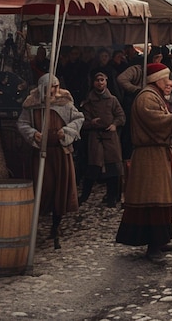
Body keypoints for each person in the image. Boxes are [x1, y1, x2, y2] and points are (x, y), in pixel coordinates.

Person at [115, 63, 172, 262]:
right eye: (166, 78)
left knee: (161, 198)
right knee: (153, 199)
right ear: (157, 79)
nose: (170, 82)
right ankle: (153, 245)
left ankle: (161, 239)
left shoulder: (154, 95)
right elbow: (154, 120)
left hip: (157, 154)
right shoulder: (146, 96)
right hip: (149, 157)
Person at [18, 73, 84, 248]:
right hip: (42, 154)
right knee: (44, 187)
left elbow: (79, 118)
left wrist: (67, 131)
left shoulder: (65, 102)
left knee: (60, 189)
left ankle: (56, 226)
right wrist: (33, 134)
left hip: (61, 153)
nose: (54, 91)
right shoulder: (32, 104)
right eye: (50, 87)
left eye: (56, 86)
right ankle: (36, 224)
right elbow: (22, 123)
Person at [79, 72, 125, 208]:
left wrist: (114, 124)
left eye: (102, 80)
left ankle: (112, 197)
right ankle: (84, 196)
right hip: (95, 136)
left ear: (106, 82)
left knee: (113, 168)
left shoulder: (113, 100)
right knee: (93, 167)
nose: (100, 83)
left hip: (110, 137)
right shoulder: (89, 101)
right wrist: (91, 122)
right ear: (93, 83)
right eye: (97, 80)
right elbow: (82, 121)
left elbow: (121, 116)